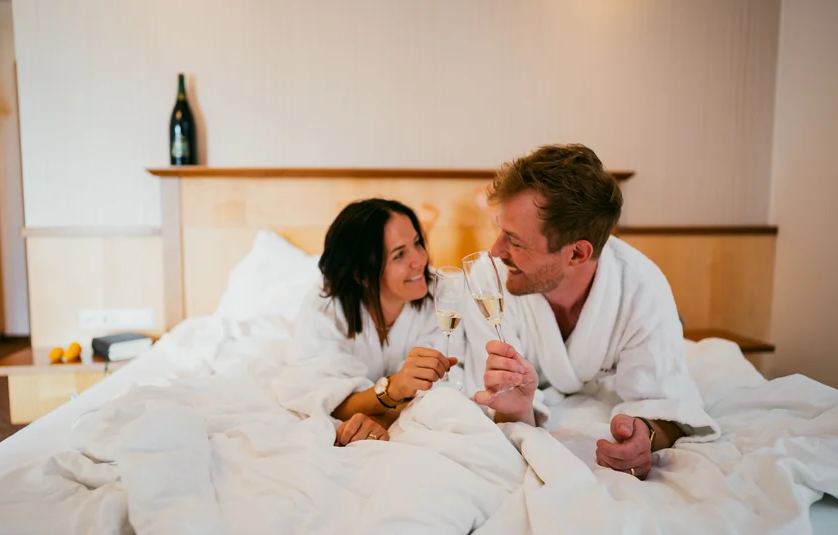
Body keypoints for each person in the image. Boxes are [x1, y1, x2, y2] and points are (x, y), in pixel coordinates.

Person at [463, 144, 719, 479]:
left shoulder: (641, 288)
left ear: (577, 253)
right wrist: (520, 408)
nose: (496, 250)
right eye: (500, 230)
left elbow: (668, 408)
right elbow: (497, 403)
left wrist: (646, 436)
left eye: (515, 240)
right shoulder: (487, 279)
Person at [273, 198, 463, 446]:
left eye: (418, 243)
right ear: (361, 274)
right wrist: (393, 389)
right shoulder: (325, 308)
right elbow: (318, 393)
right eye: (400, 254)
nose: (420, 260)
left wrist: (382, 418)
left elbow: (444, 384)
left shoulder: (440, 297)